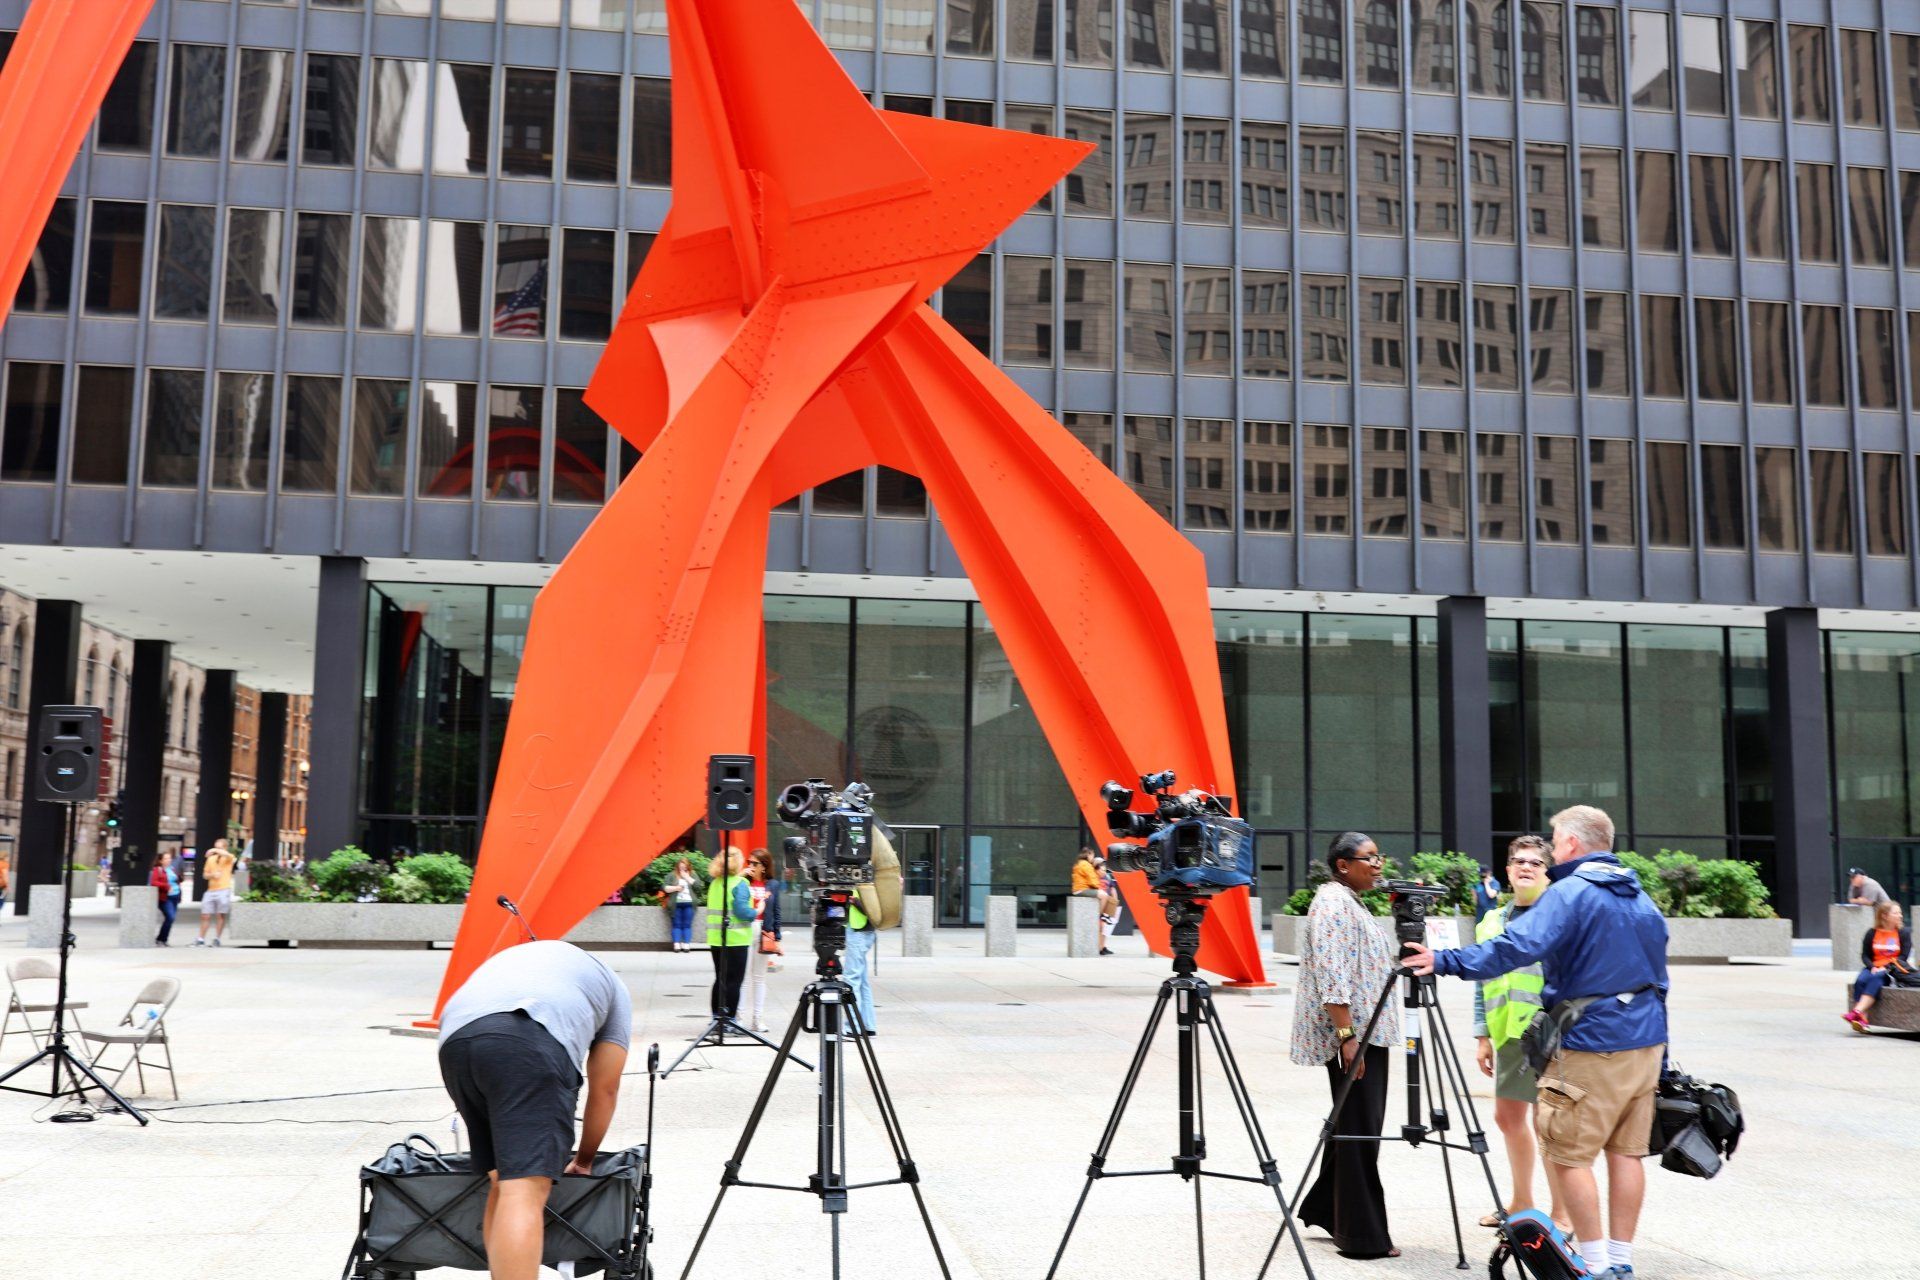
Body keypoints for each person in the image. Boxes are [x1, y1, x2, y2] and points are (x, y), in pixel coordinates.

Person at [1406, 805, 1667, 1280]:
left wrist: (1444, 961)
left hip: (1592, 1043)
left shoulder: (1571, 893)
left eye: (1555, 838)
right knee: (1626, 1154)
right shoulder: (1639, 895)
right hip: (1647, 1043)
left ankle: (1595, 1267)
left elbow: (1516, 946)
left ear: (1570, 843)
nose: (1553, 848)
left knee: (1568, 1156)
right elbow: (1658, 974)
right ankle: (1620, 1262)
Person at [437, 939, 631, 1280]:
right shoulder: (614, 987)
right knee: (523, 1190)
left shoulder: (521, 959)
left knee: (503, 1183)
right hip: (527, 1039)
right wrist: (584, 1160)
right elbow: (606, 1088)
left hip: (455, 1041)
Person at [1291, 831, 1399, 1261]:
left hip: (1365, 1033)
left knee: (1350, 1125)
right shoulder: (1334, 904)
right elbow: (1332, 975)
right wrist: (1347, 1038)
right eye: (1368, 858)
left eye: (1378, 857)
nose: (1378, 864)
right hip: (1355, 1038)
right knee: (1359, 1133)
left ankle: (1326, 1210)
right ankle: (1361, 1237)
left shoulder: (1348, 901)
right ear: (1343, 865)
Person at [1471, 835, 1560, 1228]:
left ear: (1548, 873)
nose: (1526, 867)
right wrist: (1482, 1035)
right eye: (1519, 861)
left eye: (1535, 863)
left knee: (1549, 1124)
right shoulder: (1492, 921)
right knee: (1508, 1118)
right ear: (1507, 870)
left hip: (1550, 1034)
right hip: (1507, 1033)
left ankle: (1562, 1213)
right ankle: (1521, 1202)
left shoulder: (1557, 916)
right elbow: (1482, 980)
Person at [1843, 900, 1916, 1031]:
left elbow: (1903, 957)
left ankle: (1857, 1012)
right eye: (1896, 913)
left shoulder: (1903, 933)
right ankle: (1862, 1019)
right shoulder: (1872, 933)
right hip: (1874, 967)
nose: (1900, 916)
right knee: (1861, 980)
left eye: (1900, 913)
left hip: (1893, 969)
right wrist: (1872, 967)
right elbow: (1865, 955)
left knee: (1876, 979)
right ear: (1884, 916)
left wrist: (1886, 967)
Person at [707, 848, 755, 1020]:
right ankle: (730, 1019)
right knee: (734, 981)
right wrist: (758, 910)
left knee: (720, 979)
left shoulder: (715, 883)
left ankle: (716, 1017)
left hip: (716, 940)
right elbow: (744, 913)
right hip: (737, 940)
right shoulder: (741, 884)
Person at [743, 848, 776, 1032]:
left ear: (764, 866)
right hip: (746, 928)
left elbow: (776, 911)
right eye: (749, 862)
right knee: (743, 977)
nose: (750, 866)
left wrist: (776, 935)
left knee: (759, 977)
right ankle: (738, 1018)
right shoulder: (743, 881)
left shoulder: (772, 885)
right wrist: (741, 875)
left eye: (754, 863)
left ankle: (757, 1019)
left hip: (764, 930)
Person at [196, 838, 237, 947]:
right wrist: (212, 875)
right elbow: (205, 875)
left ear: (225, 848)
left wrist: (213, 850)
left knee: (220, 915)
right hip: (211, 890)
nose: (216, 850)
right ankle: (200, 939)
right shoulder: (211, 859)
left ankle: (217, 939)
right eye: (215, 847)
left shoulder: (228, 858)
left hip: (223, 889)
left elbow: (227, 855)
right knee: (205, 915)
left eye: (219, 848)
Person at [663, 857, 698, 952]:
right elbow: (664, 887)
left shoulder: (693, 874)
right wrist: (676, 888)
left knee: (687, 925)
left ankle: (686, 944)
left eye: (685, 866)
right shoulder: (672, 875)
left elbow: (698, 886)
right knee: (676, 924)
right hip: (676, 904)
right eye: (681, 866)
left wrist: (687, 877)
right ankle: (677, 944)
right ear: (678, 866)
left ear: (688, 866)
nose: (682, 868)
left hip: (689, 904)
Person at [149, 851, 182, 946]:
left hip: (175, 896)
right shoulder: (157, 870)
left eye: (169, 858)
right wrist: (166, 886)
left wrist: (179, 879)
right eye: (166, 858)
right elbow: (153, 882)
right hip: (165, 897)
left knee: (171, 919)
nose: (168, 860)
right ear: (161, 860)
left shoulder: (172, 869)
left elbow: (176, 880)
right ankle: (160, 939)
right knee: (170, 917)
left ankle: (163, 940)